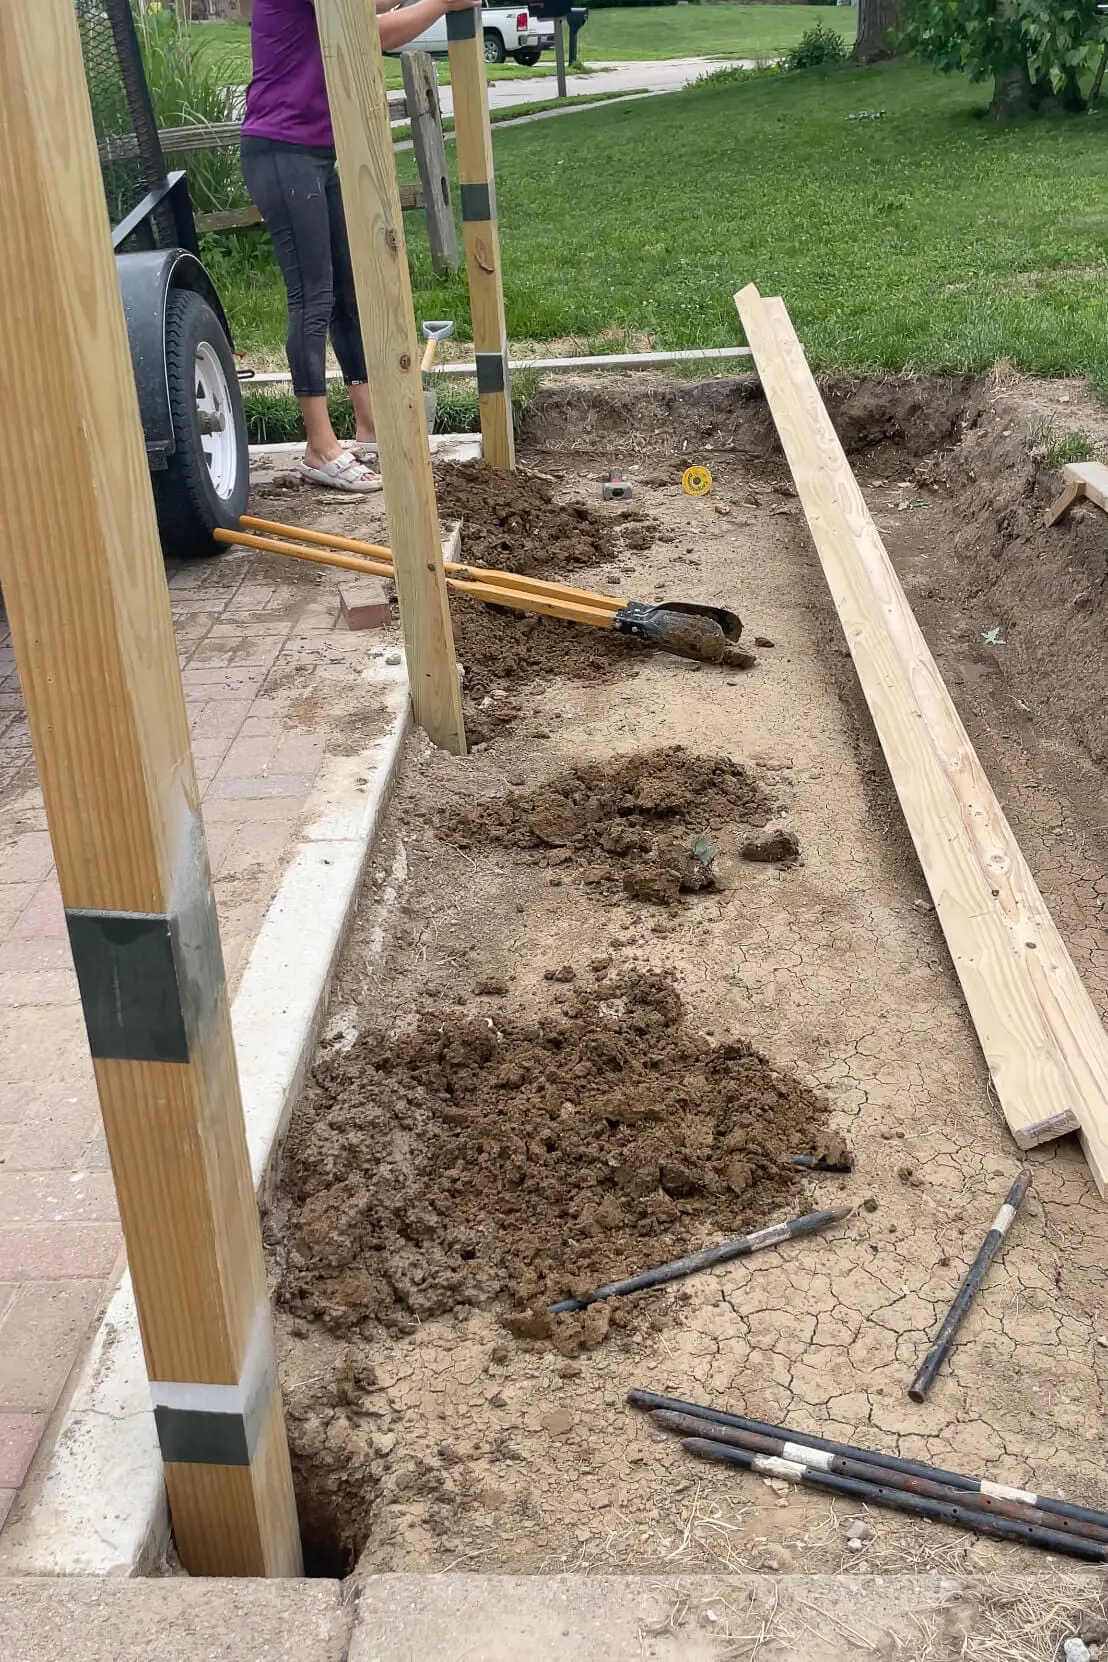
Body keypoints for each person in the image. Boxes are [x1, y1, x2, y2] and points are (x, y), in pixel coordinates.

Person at [241, 0, 480, 492]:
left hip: (313, 151)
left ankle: (369, 428)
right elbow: (375, 30)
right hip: (283, 150)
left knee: (344, 295)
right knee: (311, 298)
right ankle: (319, 447)